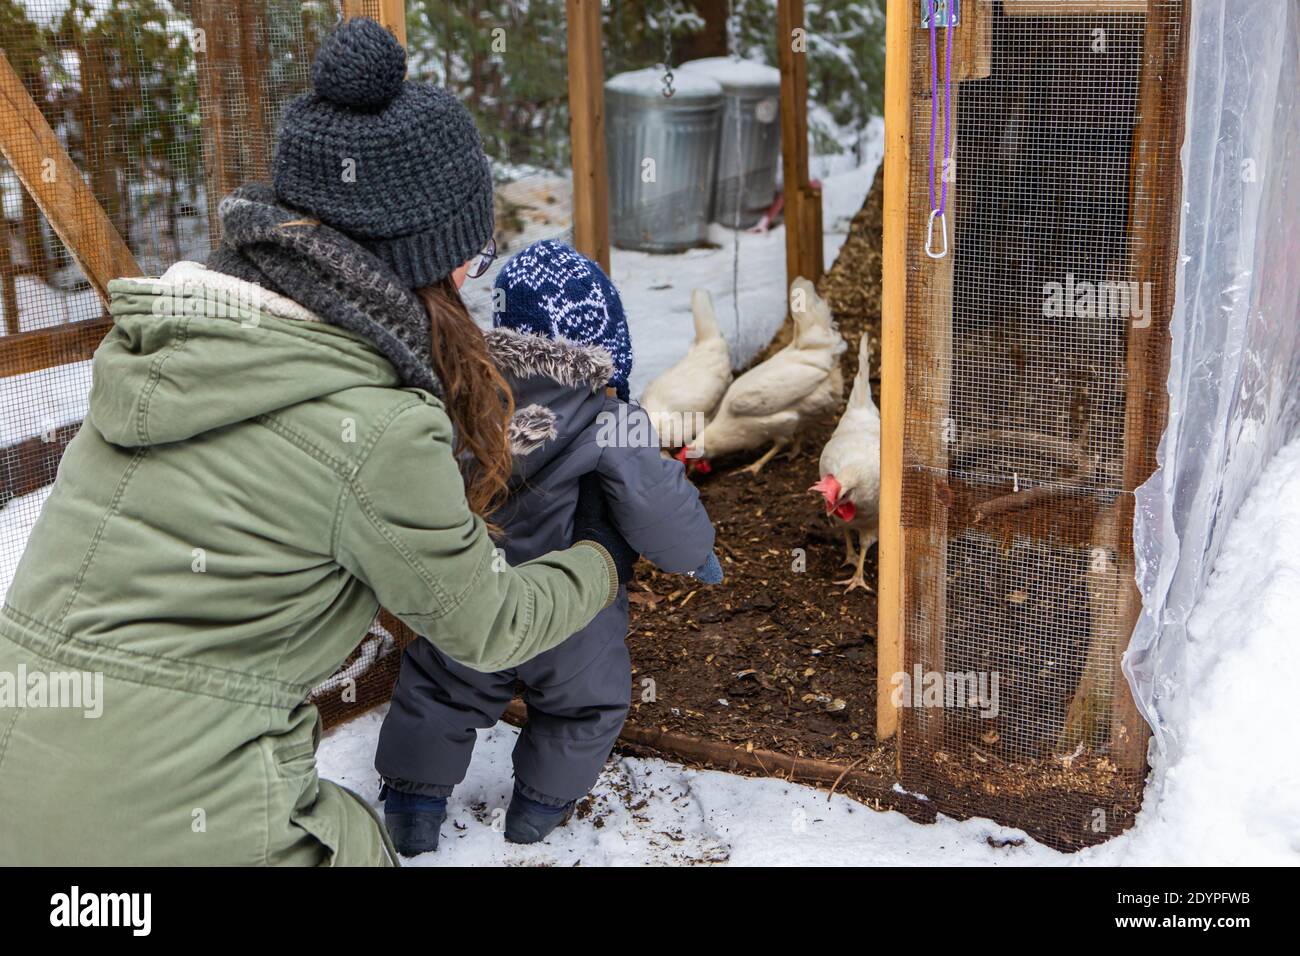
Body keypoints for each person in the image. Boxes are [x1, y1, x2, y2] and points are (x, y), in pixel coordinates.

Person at [0, 18, 632, 866]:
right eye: (471, 258)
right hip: (162, 816)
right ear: (426, 263)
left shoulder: (166, 349)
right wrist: (603, 558)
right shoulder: (375, 428)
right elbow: (490, 626)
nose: (470, 282)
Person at [375, 240, 723, 854]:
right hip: (574, 612)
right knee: (584, 708)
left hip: (471, 593)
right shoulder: (610, 415)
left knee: (439, 688)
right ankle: (536, 811)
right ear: (605, 341)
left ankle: (411, 807)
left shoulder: (465, 397)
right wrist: (695, 554)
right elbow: (658, 508)